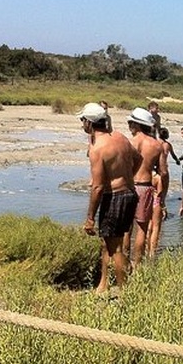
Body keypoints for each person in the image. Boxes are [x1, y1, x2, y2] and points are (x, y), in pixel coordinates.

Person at [77, 102, 140, 294]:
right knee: (109, 243)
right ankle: (103, 286)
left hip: (115, 197)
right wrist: (126, 177)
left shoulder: (98, 149)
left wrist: (89, 218)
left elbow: (97, 187)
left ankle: (124, 294)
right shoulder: (120, 137)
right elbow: (138, 159)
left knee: (116, 249)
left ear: (89, 123)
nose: (82, 124)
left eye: (82, 121)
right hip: (130, 194)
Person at [125, 107, 168, 270]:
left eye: (130, 123)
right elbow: (163, 172)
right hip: (145, 186)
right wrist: (161, 194)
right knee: (142, 229)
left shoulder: (129, 142)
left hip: (128, 186)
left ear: (136, 124)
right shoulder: (156, 145)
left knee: (126, 229)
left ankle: (124, 263)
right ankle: (137, 265)